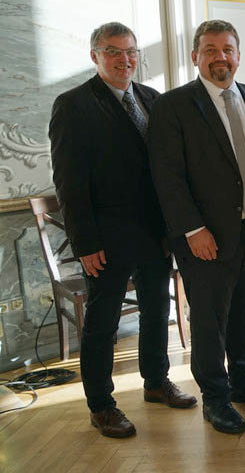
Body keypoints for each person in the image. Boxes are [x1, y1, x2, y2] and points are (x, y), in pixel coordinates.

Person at [48, 22, 196, 438]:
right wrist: (85, 243)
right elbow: (69, 183)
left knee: (157, 310)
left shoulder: (152, 99)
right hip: (106, 239)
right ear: (94, 55)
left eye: (130, 51)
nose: (124, 59)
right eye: (112, 51)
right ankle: (101, 405)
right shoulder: (73, 105)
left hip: (155, 232)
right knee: (102, 322)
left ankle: (156, 382)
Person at [148, 19, 245, 435]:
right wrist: (192, 229)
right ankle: (216, 398)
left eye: (227, 49)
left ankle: (244, 382)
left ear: (238, 55)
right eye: (210, 50)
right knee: (210, 320)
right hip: (205, 236)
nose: (220, 57)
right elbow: (167, 175)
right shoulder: (174, 106)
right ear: (195, 57)